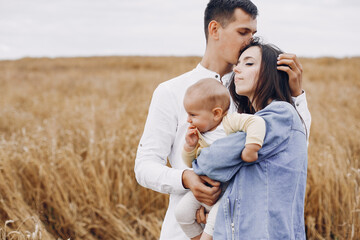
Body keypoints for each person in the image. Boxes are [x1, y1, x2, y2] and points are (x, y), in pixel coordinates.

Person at [134, 1, 311, 239]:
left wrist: (296, 97)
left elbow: (293, 149)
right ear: (214, 30)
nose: (249, 41)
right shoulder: (171, 91)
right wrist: (186, 179)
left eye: (253, 33)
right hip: (183, 231)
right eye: (242, 32)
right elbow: (144, 166)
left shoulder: (251, 90)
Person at [192, 38, 308, 239]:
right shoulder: (260, 120)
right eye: (237, 64)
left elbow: (212, 160)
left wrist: (197, 161)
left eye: (249, 63)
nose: (236, 69)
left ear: (270, 73)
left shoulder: (281, 115)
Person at [174, 78, 266, 240]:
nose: (188, 120)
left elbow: (256, 121)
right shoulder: (200, 134)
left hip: (230, 190)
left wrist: (252, 147)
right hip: (207, 186)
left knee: (216, 220)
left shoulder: (230, 122)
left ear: (216, 113)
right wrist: (190, 147)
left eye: (193, 115)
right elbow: (192, 164)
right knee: (182, 213)